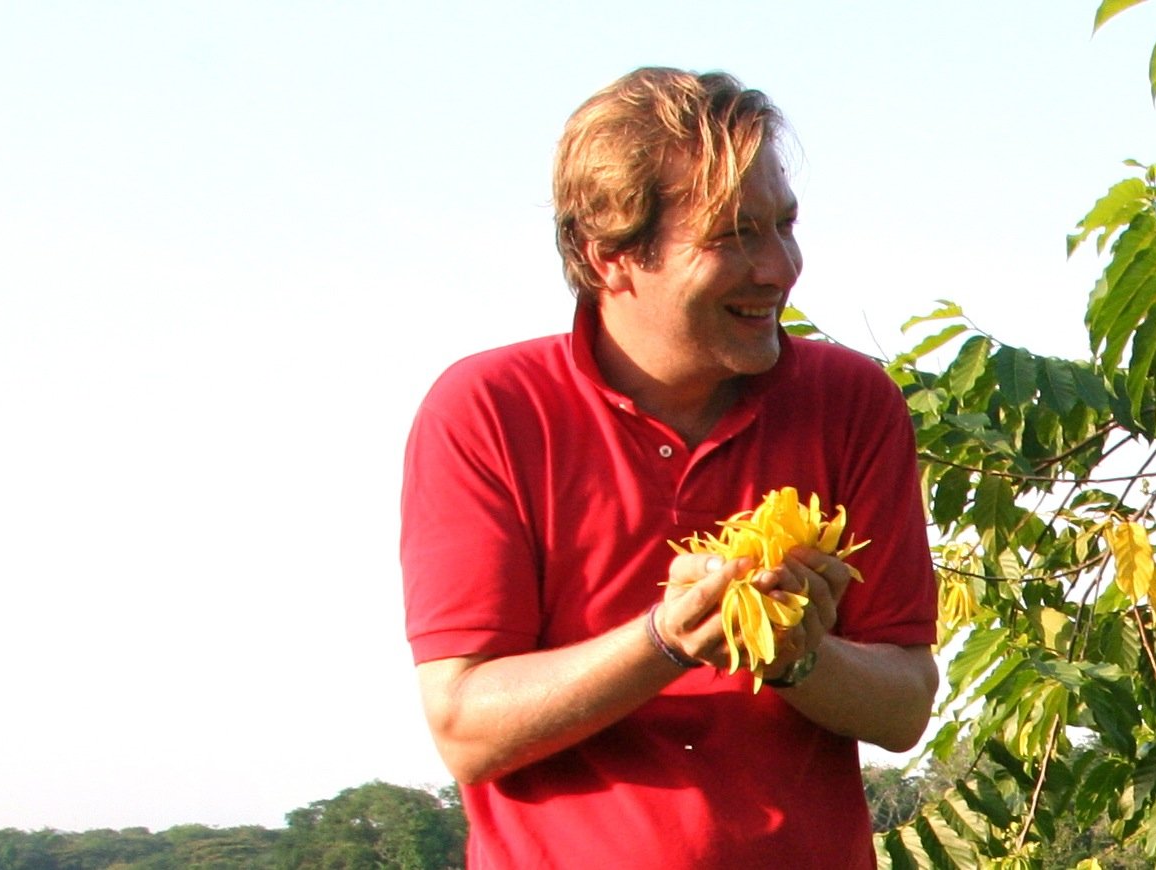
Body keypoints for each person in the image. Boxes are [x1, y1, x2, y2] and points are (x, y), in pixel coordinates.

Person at [400, 67, 938, 869]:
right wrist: (669, 638)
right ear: (609, 255)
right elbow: (465, 727)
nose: (779, 267)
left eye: (784, 224)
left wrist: (795, 654)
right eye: (733, 235)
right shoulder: (489, 411)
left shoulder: (851, 402)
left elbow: (902, 707)